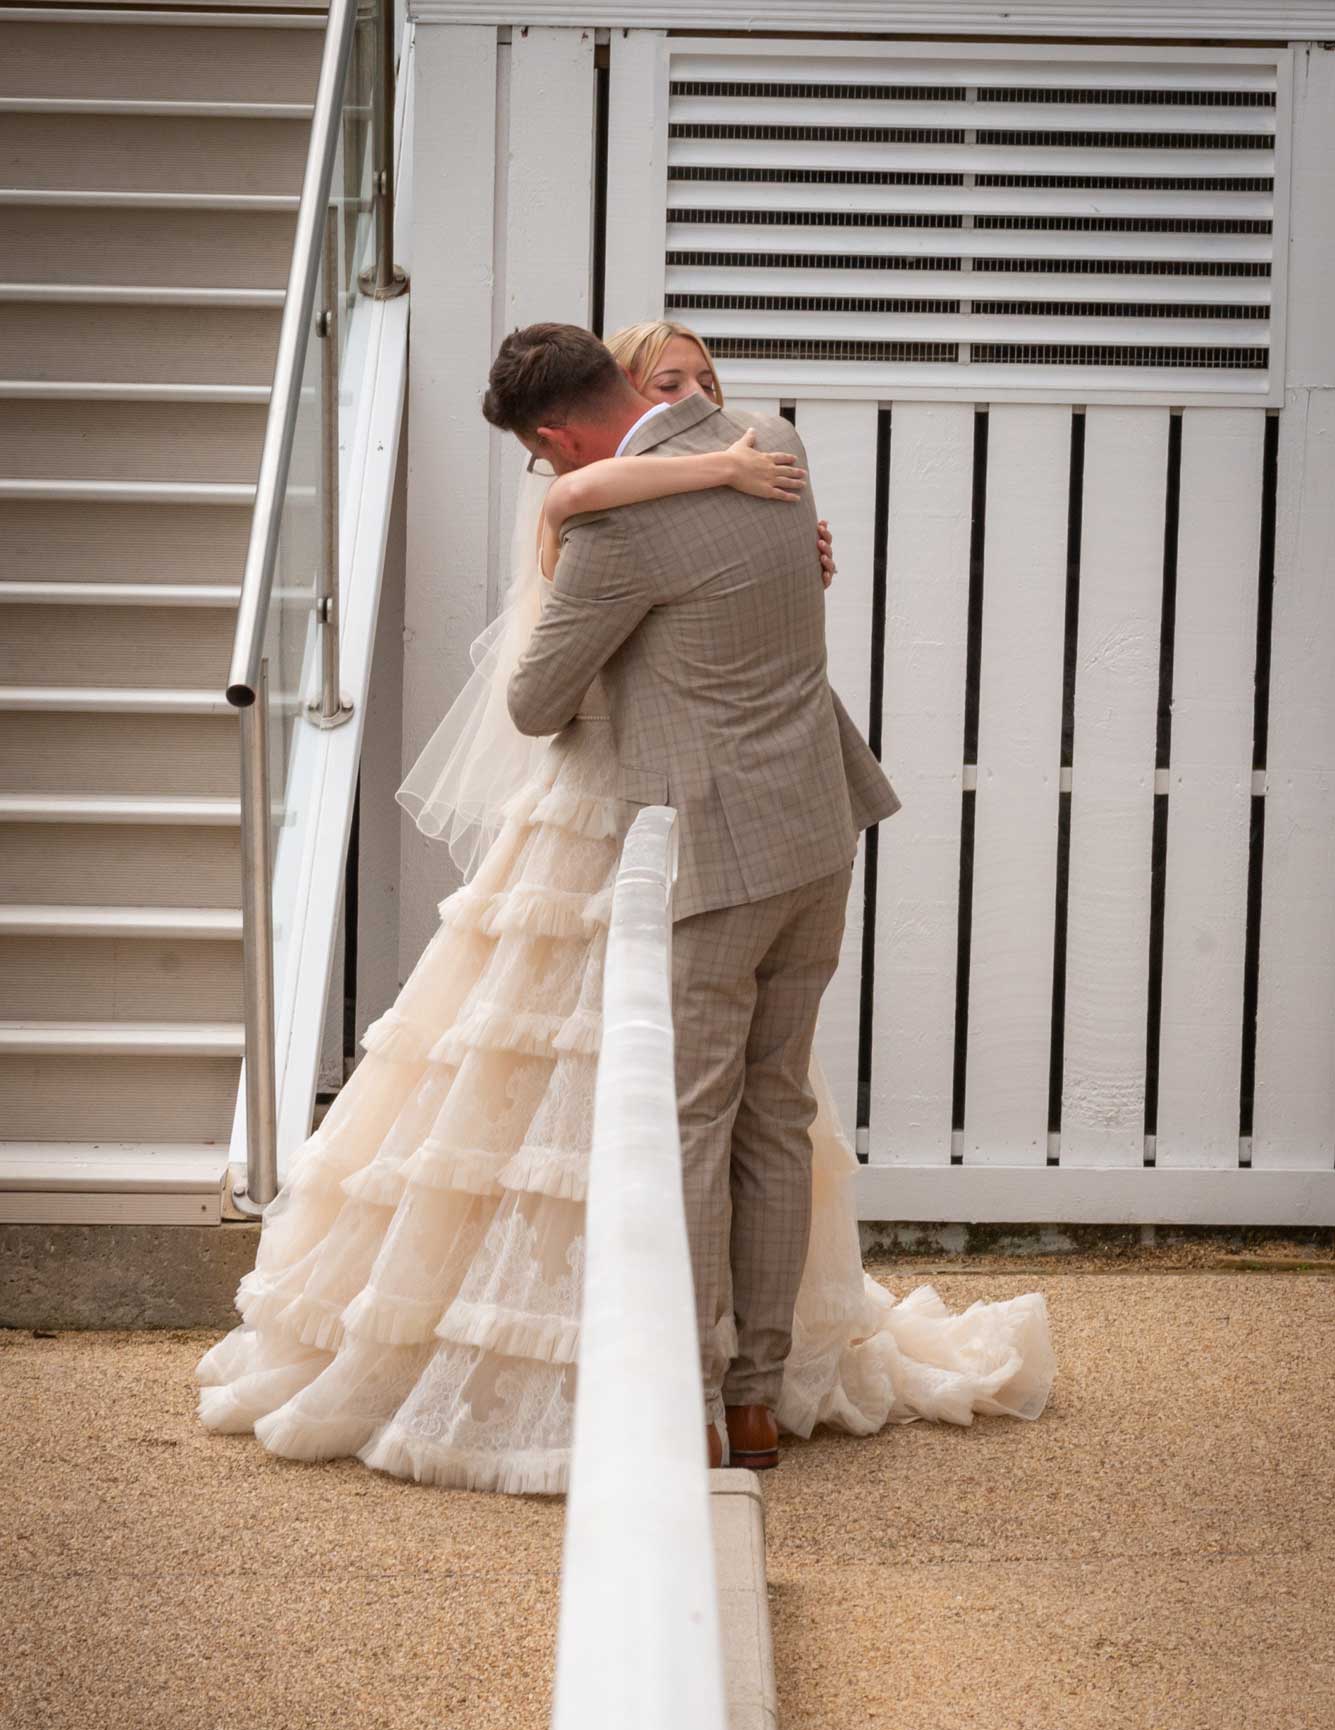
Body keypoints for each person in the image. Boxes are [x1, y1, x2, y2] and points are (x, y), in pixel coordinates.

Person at [194, 321, 1054, 1490]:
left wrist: (564, 534)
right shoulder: (773, 440)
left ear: (554, 436)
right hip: (814, 829)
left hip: (708, 852)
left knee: (687, 1129)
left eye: (546, 466)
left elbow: (539, 701)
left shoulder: (610, 526)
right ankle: (757, 1398)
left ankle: (693, 1406)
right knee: (774, 1112)